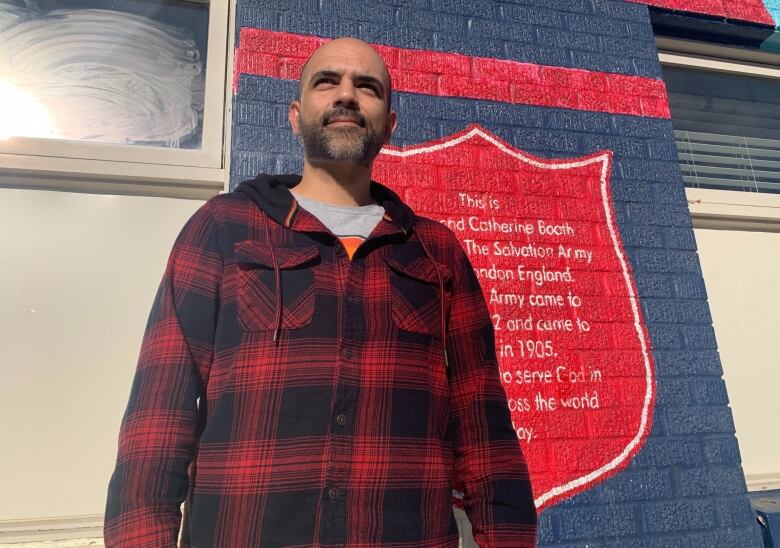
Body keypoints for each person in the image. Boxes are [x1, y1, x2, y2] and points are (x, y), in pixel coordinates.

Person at [105, 37, 537, 547]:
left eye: (368, 87)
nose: (347, 95)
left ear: (389, 125)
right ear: (295, 115)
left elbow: (481, 421)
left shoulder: (436, 252)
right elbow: (158, 418)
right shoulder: (223, 228)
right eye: (326, 81)